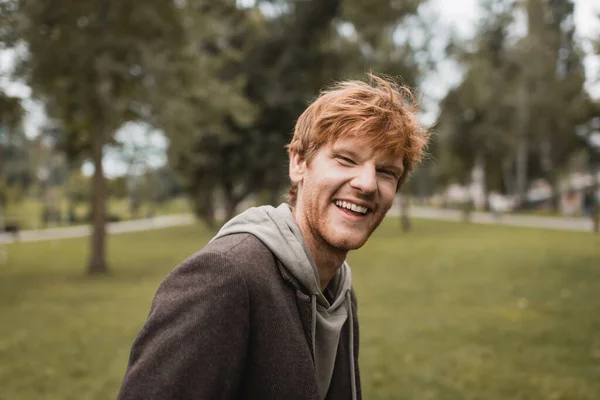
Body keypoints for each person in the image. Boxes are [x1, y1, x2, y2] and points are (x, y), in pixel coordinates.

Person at [116, 73, 430, 400]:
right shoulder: (224, 277)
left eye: (386, 172)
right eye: (346, 159)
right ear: (298, 163)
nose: (366, 184)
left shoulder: (337, 291)